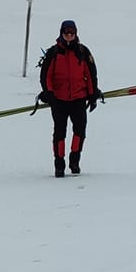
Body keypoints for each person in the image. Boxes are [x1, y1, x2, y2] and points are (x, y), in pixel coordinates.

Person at [36, 18, 102, 177]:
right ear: (61, 33)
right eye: (66, 33)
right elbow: (46, 76)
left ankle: (75, 160)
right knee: (60, 133)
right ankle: (59, 164)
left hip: (78, 99)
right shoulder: (54, 53)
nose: (69, 36)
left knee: (79, 131)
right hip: (59, 100)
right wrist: (49, 94)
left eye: (72, 34)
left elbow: (91, 75)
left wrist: (92, 96)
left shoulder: (83, 52)